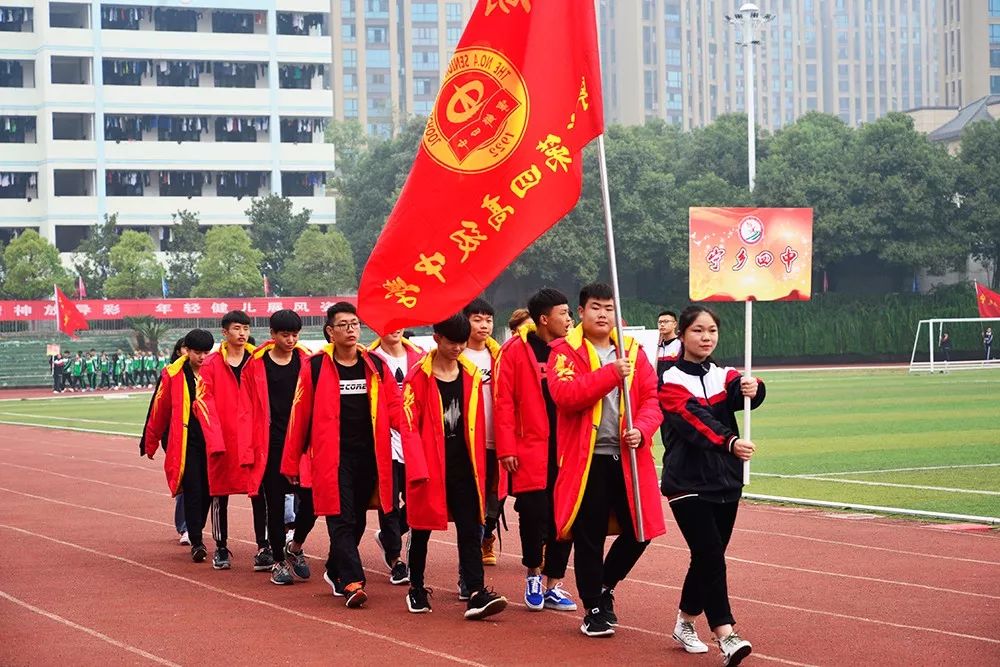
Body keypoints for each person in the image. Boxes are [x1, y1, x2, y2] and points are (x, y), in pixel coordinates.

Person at [547, 282, 665, 638]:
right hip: (588, 460)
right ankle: (593, 608)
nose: (603, 314)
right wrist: (610, 373)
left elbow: (652, 401)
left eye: (609, 308)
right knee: (589, 537)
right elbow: (565, 395)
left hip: (629, 457)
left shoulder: (632, 351)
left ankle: (605, 586)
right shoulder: (565, 353)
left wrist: (642, 430)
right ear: (581, 312)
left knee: (641, 531)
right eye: (596, 307)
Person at [659, 305, 765, 666]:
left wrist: (755, 387)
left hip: (725, 479)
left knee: (708, 555)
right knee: (710, 555)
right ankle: (726, 634)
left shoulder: (724, 374)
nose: (706, 338)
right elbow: (695, 421)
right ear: (683, 335)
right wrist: (731, 443)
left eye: (712, 331)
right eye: (698, 331)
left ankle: (685, 621)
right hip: (686, 481)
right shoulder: (670, 378)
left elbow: (743, 393)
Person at [281, 302, 401, 609]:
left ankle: (335, 568)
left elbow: (395, 409)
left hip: (370, 456)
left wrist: (418, 440)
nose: (351, 329)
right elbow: (300, 415)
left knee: (358, 519)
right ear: (330, 332)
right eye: (343, 325)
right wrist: (291, 461)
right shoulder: (316, 367)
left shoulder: (375, 364)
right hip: (332, 457)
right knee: (341, 518)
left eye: (355, 324)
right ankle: (352, 581)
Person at [400, 314, 508, 619]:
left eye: (462, 342)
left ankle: (475, 591)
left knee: (470, 527)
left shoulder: (471, 374)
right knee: (420, 528)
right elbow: (407, 424)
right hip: (430, 465)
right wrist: (418, 468)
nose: (458, 348)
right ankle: (417, 588)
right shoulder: (417, 377)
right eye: (452, 342)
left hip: (466, 464)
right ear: (436, 338)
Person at [495, 288, 578, 613]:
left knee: (566, 517)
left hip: (568, 448)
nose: (569, 319)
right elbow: (503, 402)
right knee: (533, 515)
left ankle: (554, 583)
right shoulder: (516, 350)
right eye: (564, 313)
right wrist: (506, 448)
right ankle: (532, 574)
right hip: (530, 448)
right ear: (545, 319)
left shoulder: (571, 350)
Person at [244, 310, 313, 585]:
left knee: (312, 500)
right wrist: (248, 448)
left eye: (295, 335)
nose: (291, 340)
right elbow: (246, 408)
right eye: (285, 335)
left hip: (302, 442)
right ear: (272, 335)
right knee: (273, 503)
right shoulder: (257, 364)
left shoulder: (306, 361)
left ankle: (295, 546)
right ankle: (278, 561)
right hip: (270, 443)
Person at [142, 329, 223, 562]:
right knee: (193, 489)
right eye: (197, 352)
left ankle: (199, 531)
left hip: (212, 440)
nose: (202, 357)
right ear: (186, 351)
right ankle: (196, 540)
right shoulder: (173, 373)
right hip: (187, 441)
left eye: (207, 352)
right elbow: (160, 409)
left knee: (209, 490)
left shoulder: (217, 371)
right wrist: (151, 441)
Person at [367, 329, 425, 586]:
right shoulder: (369, 360)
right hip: (383, 441)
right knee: (388, 501)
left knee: (416, 500)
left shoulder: (421, 358)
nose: (394, 330)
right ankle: (396, 560)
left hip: (413, 441)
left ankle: (390, 536)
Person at [199, 310, 255, 570]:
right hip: (223, 439)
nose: (242, 333)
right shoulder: (210, 364)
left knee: (261, 494)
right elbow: (204, 402)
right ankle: (221, 547)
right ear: (225, 332)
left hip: (252, 438)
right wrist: (215, 439)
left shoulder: (257, 359)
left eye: (245, 328)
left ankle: (265, 545)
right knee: (219, 494)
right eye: (236, 328)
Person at [461, 298, 505, 571]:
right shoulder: (457, 356)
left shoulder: (499, 356)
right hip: (469, 441)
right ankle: (472, 547)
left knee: (496, 494)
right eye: (477, 319)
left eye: (488, 320)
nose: (484, 325)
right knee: (471, 495)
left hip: (498, 439)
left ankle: (487, 535)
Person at [656, 310, 681, 446]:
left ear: (674, 324)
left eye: (666, 322)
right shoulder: (656, 348)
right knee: (666, 437)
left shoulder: (680, 346)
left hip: (676, 399)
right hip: (660, 400)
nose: (662, 325)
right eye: (660, 322)